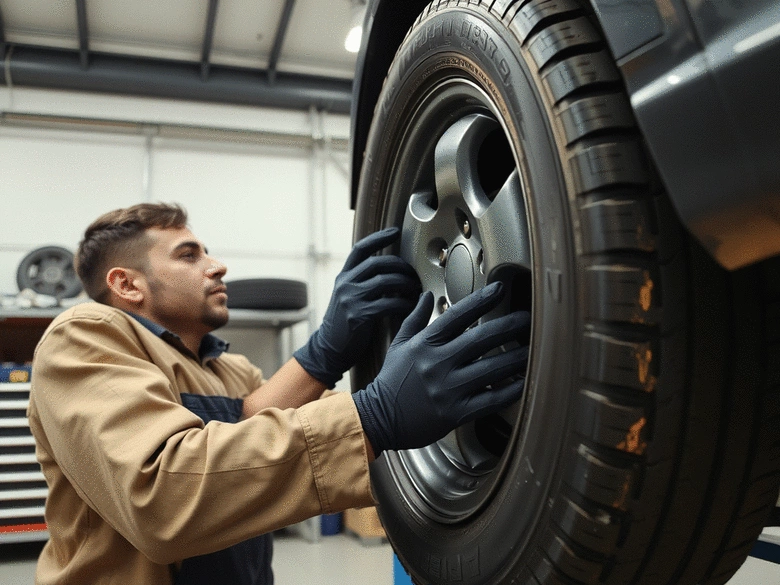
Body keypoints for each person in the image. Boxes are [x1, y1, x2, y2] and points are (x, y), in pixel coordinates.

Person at [27, 202, 530, 584]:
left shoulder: (226, 367)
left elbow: (249, 431)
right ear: (127, 285)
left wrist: (328, 351)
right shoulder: (84, 337)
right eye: (189, 255)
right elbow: (159, 495)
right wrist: (373, 416)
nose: (217, 266)